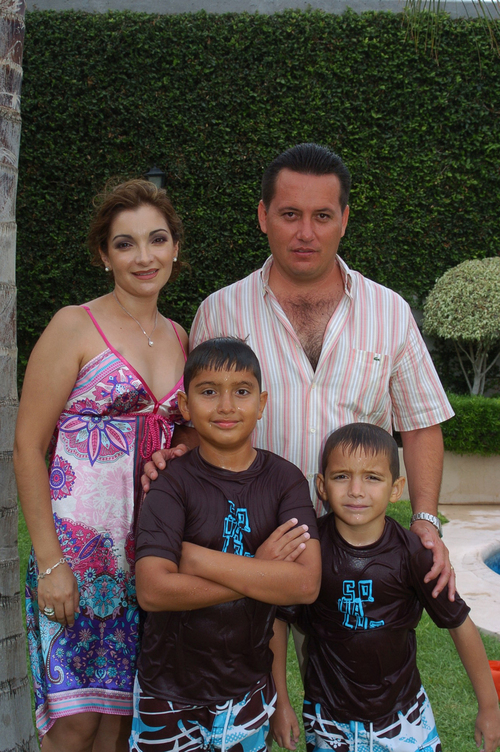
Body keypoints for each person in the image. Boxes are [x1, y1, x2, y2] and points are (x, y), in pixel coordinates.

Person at [144, 143, 455, 598]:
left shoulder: (390, 312)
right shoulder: (220, 311)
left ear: (344, 220)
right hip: (247, 542)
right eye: (290, 214)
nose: (305, 233)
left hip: (354, 542)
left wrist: (425, 519)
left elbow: (421, 422)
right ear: (263, 216)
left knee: (354, 647)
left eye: (322, 216)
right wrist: (175, 455)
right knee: (250, 645)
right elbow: (201, 419)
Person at [14, 179, 191, 751]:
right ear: (103, 255)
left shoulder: (181, 337)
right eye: (125, 243)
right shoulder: (74, 325)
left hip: (151, 557)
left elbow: (189, 434)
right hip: (78, 555)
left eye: (157, 239)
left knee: (122, 723)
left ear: (175, 248)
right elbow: (27, 446)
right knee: (75, 723)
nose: (144, 257)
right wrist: (50, 563)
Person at [132, 337, 322, 752]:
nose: (226, 406)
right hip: (168, 691)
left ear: (262, 403)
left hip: (247, 690)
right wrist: (259, 568)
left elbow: (305, 584)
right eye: (208, 392)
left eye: (241, 391)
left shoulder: (285, 481)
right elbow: (153, 590)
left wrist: (195, 559)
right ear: (185, 405)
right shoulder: (170, 482)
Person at [270, 423, 500, 752]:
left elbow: (459, 623)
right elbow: (278, 622)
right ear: (321, 486)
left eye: (372, 477)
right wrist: (281, 703)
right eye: (341, 476)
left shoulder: (415, 554)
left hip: (405, 719)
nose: (356, 490)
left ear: (396, 488)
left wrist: (489, 707)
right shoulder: (309, 551)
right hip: (328, 721)